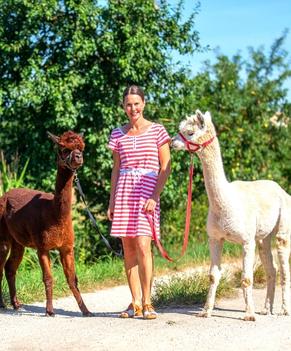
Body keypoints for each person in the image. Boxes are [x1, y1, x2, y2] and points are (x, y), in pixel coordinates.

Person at [107, 85, 171, 320]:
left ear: (143, 104)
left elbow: (166, 167)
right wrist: (112, 201)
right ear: (124, 107)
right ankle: (134, 303)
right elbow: (116, 168)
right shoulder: (117, 134)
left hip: (147, 192)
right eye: (128, 104)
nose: (132, 108)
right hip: (124, 191)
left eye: (136, 103)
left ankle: (148, 301)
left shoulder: (157, 131)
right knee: (129, 248)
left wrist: (155, 196)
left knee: (144, 246)